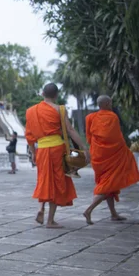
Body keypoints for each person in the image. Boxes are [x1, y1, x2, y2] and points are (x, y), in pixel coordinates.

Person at [25, 83, 89, 228]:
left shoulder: (31, 111)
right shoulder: (59, 109)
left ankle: (41, 208)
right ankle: (50, 221)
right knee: (56, 182)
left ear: (42, 94)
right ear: (56, 95)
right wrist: (84, 146)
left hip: (41, 149)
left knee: (44, 180)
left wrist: (33, 153)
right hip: (56, 150)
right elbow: (70, 130)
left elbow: (29, 136)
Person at [83, 95, 139, 225]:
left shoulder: (90, 118)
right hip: (113, 156)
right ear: (108, 103)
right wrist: (124, 150)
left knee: (110, 183)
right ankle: (89, 209)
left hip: (98, 156)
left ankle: (113, 214)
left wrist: (98, 148)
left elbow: (89, 137)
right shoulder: (113, 117)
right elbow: (116, 138)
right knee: (108, 185)